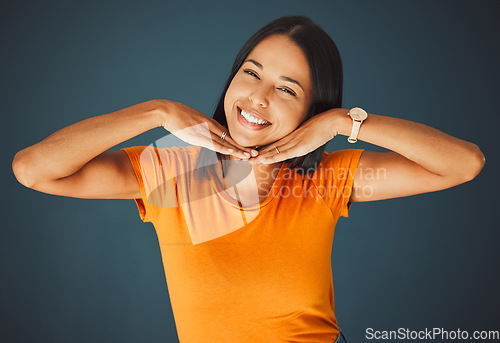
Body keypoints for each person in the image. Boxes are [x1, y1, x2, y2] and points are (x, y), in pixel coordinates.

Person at [12, 15, 484, 343]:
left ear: (310, 111)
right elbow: (32, 169)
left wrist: (344, 122)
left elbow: (464, 163)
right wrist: (156, 111)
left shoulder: (322, 181)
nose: (257, 97)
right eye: (251, 73)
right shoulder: (170, 170)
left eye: (286, 88)